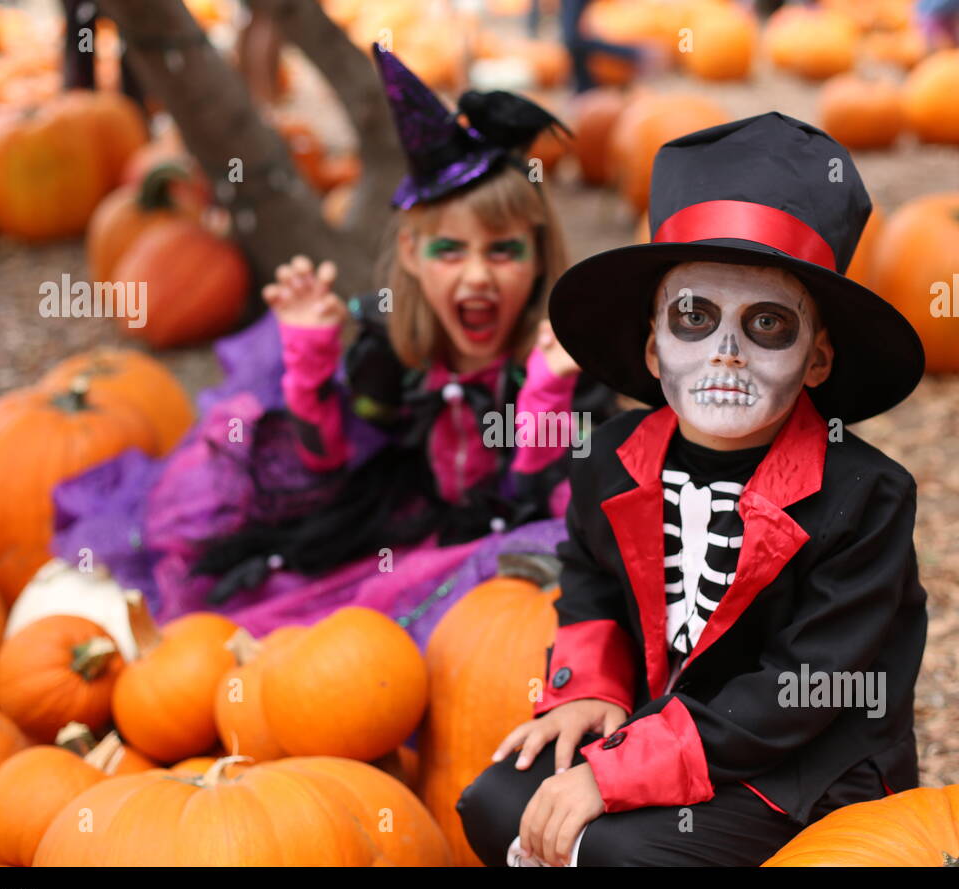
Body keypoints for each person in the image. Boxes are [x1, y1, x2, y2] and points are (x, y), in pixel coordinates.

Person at [456, 112, 929, 866]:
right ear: (654, 345)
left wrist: (614, 775)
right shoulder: (612, 454)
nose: (727, 355)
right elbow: (590, 581)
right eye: (694, 317)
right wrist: (586, 689)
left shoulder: (865, 497)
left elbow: (809, 687)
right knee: (494, 805)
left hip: (799, 768)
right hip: (654, 725)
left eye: (768, 324)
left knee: (615, 851)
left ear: (817, 358)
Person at [51, 45, 617, 647]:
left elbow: (535, 507)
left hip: (499, 541)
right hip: (405, 522)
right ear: (410, 256)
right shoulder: (394, 352)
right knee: (272, 524)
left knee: (525, 577)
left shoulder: (566, 362)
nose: (477, 275)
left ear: (537, 259)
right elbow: (326, 463)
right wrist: (309, 362)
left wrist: (545, 395)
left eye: (502, 251)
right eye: (449, 250)